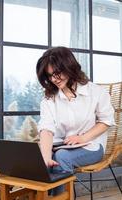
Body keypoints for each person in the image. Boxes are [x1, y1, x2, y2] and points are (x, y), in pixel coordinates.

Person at [36, 46, 115, 195]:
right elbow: (46, 129)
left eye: (57, 73)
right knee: (46, 158)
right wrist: (45, 158)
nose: (54, 79)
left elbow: (106, 121)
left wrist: (82, 138)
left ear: (69, 67)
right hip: (61, 145)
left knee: (61, 157)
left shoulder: (96, 92)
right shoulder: (49, 100)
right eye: (50, 76)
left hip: (91, 145)